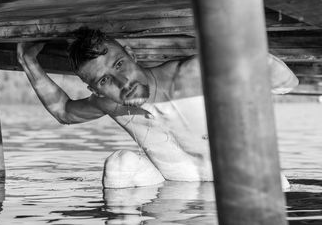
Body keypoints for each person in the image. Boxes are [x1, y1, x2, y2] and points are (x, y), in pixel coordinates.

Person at [17, 27, 298, 189]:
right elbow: (64, 112)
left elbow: (287, 83)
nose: (121, 82)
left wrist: (252, 55)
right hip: (173, 187)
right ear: (95, 89)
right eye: (104, 80)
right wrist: (29, 63)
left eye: (119, 64)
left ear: (132, 55)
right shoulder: (110, 103)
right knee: (120, 164)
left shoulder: (192, 74)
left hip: (244, 184)